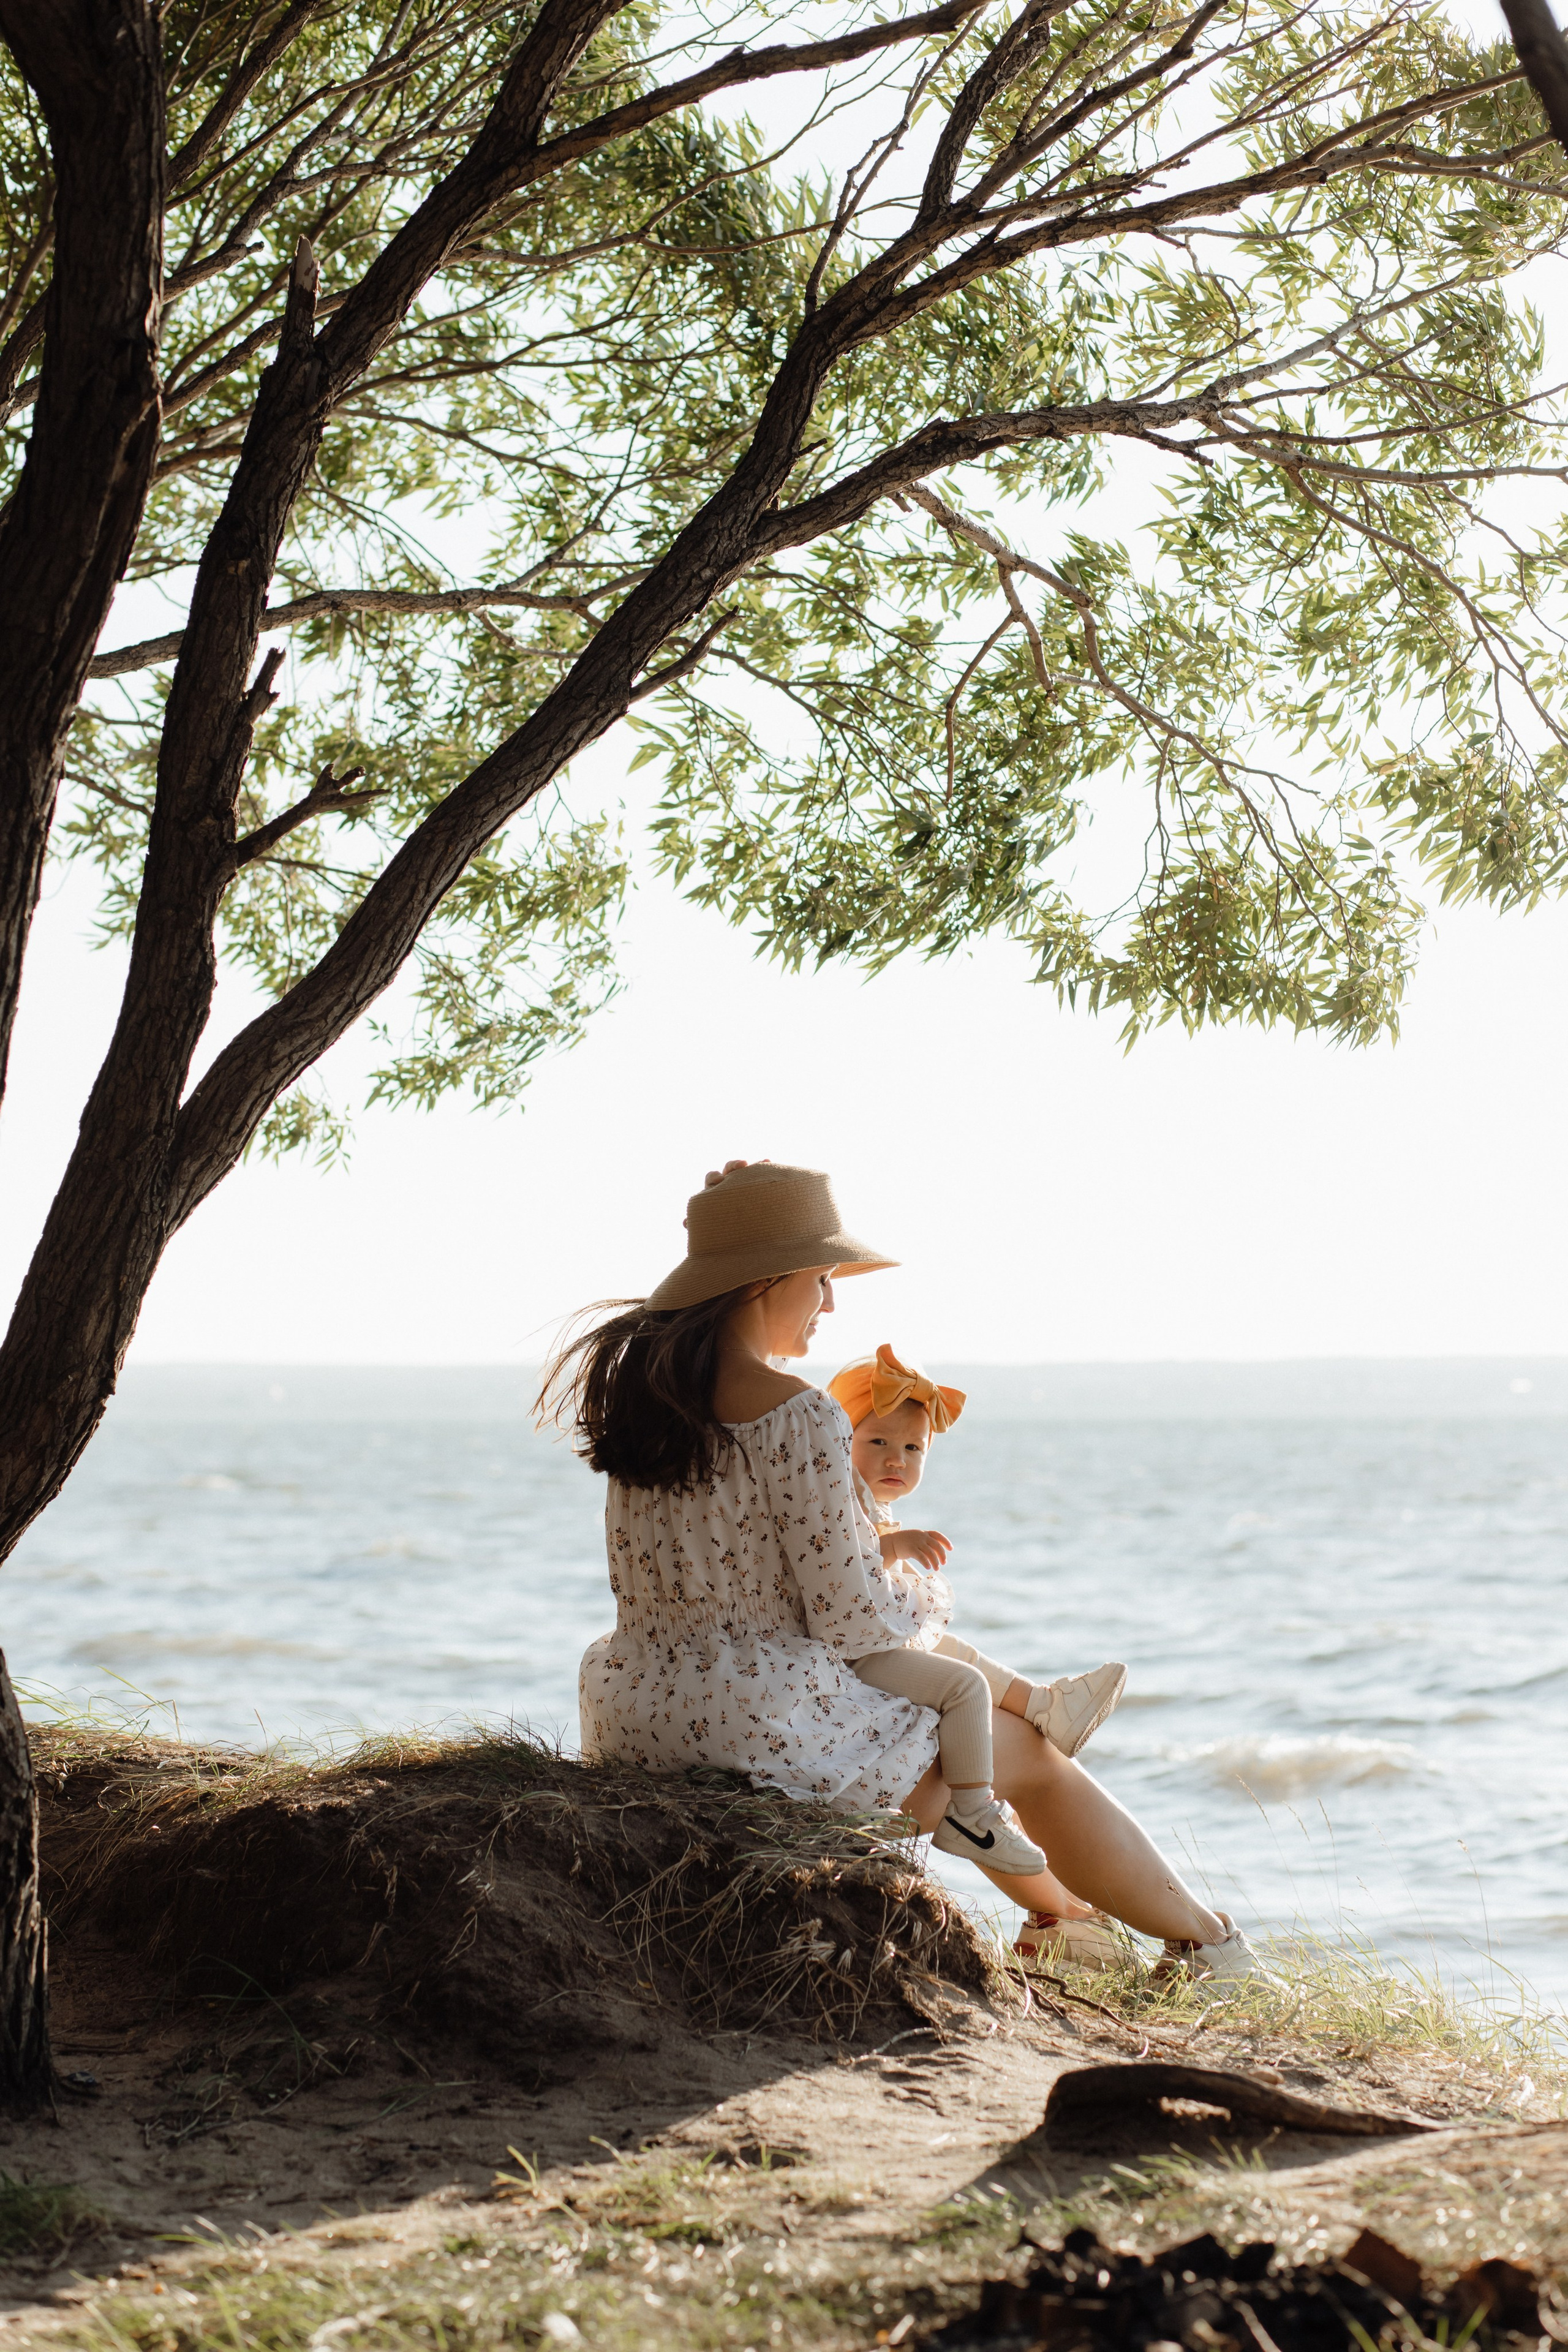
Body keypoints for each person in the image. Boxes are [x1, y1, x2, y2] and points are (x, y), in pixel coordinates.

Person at [543, 1158, 1268, 1983]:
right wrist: (922, 1597)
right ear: (766, 1280)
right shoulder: (799, 1413)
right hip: (753, 1721)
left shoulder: (647, 1402)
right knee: (1027, 1755)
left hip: (641, 1709)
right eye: (822, 1279)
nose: (829, 1303)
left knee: (966, 1756)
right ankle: (1211, 1950)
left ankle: (1067, 1926)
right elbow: (852, 1621)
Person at [827, 1344, 1126, 1880]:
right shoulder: (834, 1501)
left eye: (914, 1448)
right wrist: (894, 1547)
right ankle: (971, 1813)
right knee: (964, 1686)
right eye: (878, 1442)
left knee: (955, 1649)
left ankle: (1044, 1706)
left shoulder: (870, 1504)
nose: (897, 1459)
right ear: (839, 1441)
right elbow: (839, 1570)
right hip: (845, 1655)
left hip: (869, 1638)